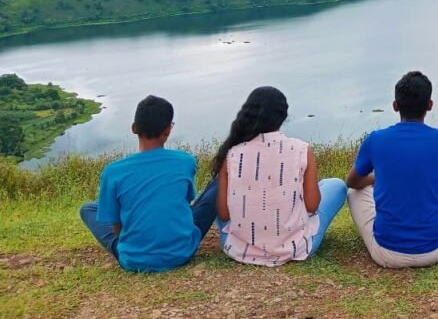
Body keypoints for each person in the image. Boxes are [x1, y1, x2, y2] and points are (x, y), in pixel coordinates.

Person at [346, 71, 438, 268]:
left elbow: (351, 182)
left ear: (395, 106)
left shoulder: (375, 139)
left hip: (385, 252)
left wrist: (375, 179)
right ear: (430, 105)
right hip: (434, 250)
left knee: (354, 192)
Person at [79, 95, 217, 272]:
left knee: (88, 209)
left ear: (134, 128)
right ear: (168, 129)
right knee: (216, 185)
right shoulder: (185, 161)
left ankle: (132, 247)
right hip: (182, 252)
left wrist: (130, 241)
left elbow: (115, 224)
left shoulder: (113, 171)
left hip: (133, 259)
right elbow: (188, 200)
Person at [212, 86, 346, 266]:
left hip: (238, 249)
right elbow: (312, 206)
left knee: (215, 190)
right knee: (335, 185)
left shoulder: (232, 154)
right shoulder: (301, 149)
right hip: (294, 247)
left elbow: (223, 213)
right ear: (283, 116)